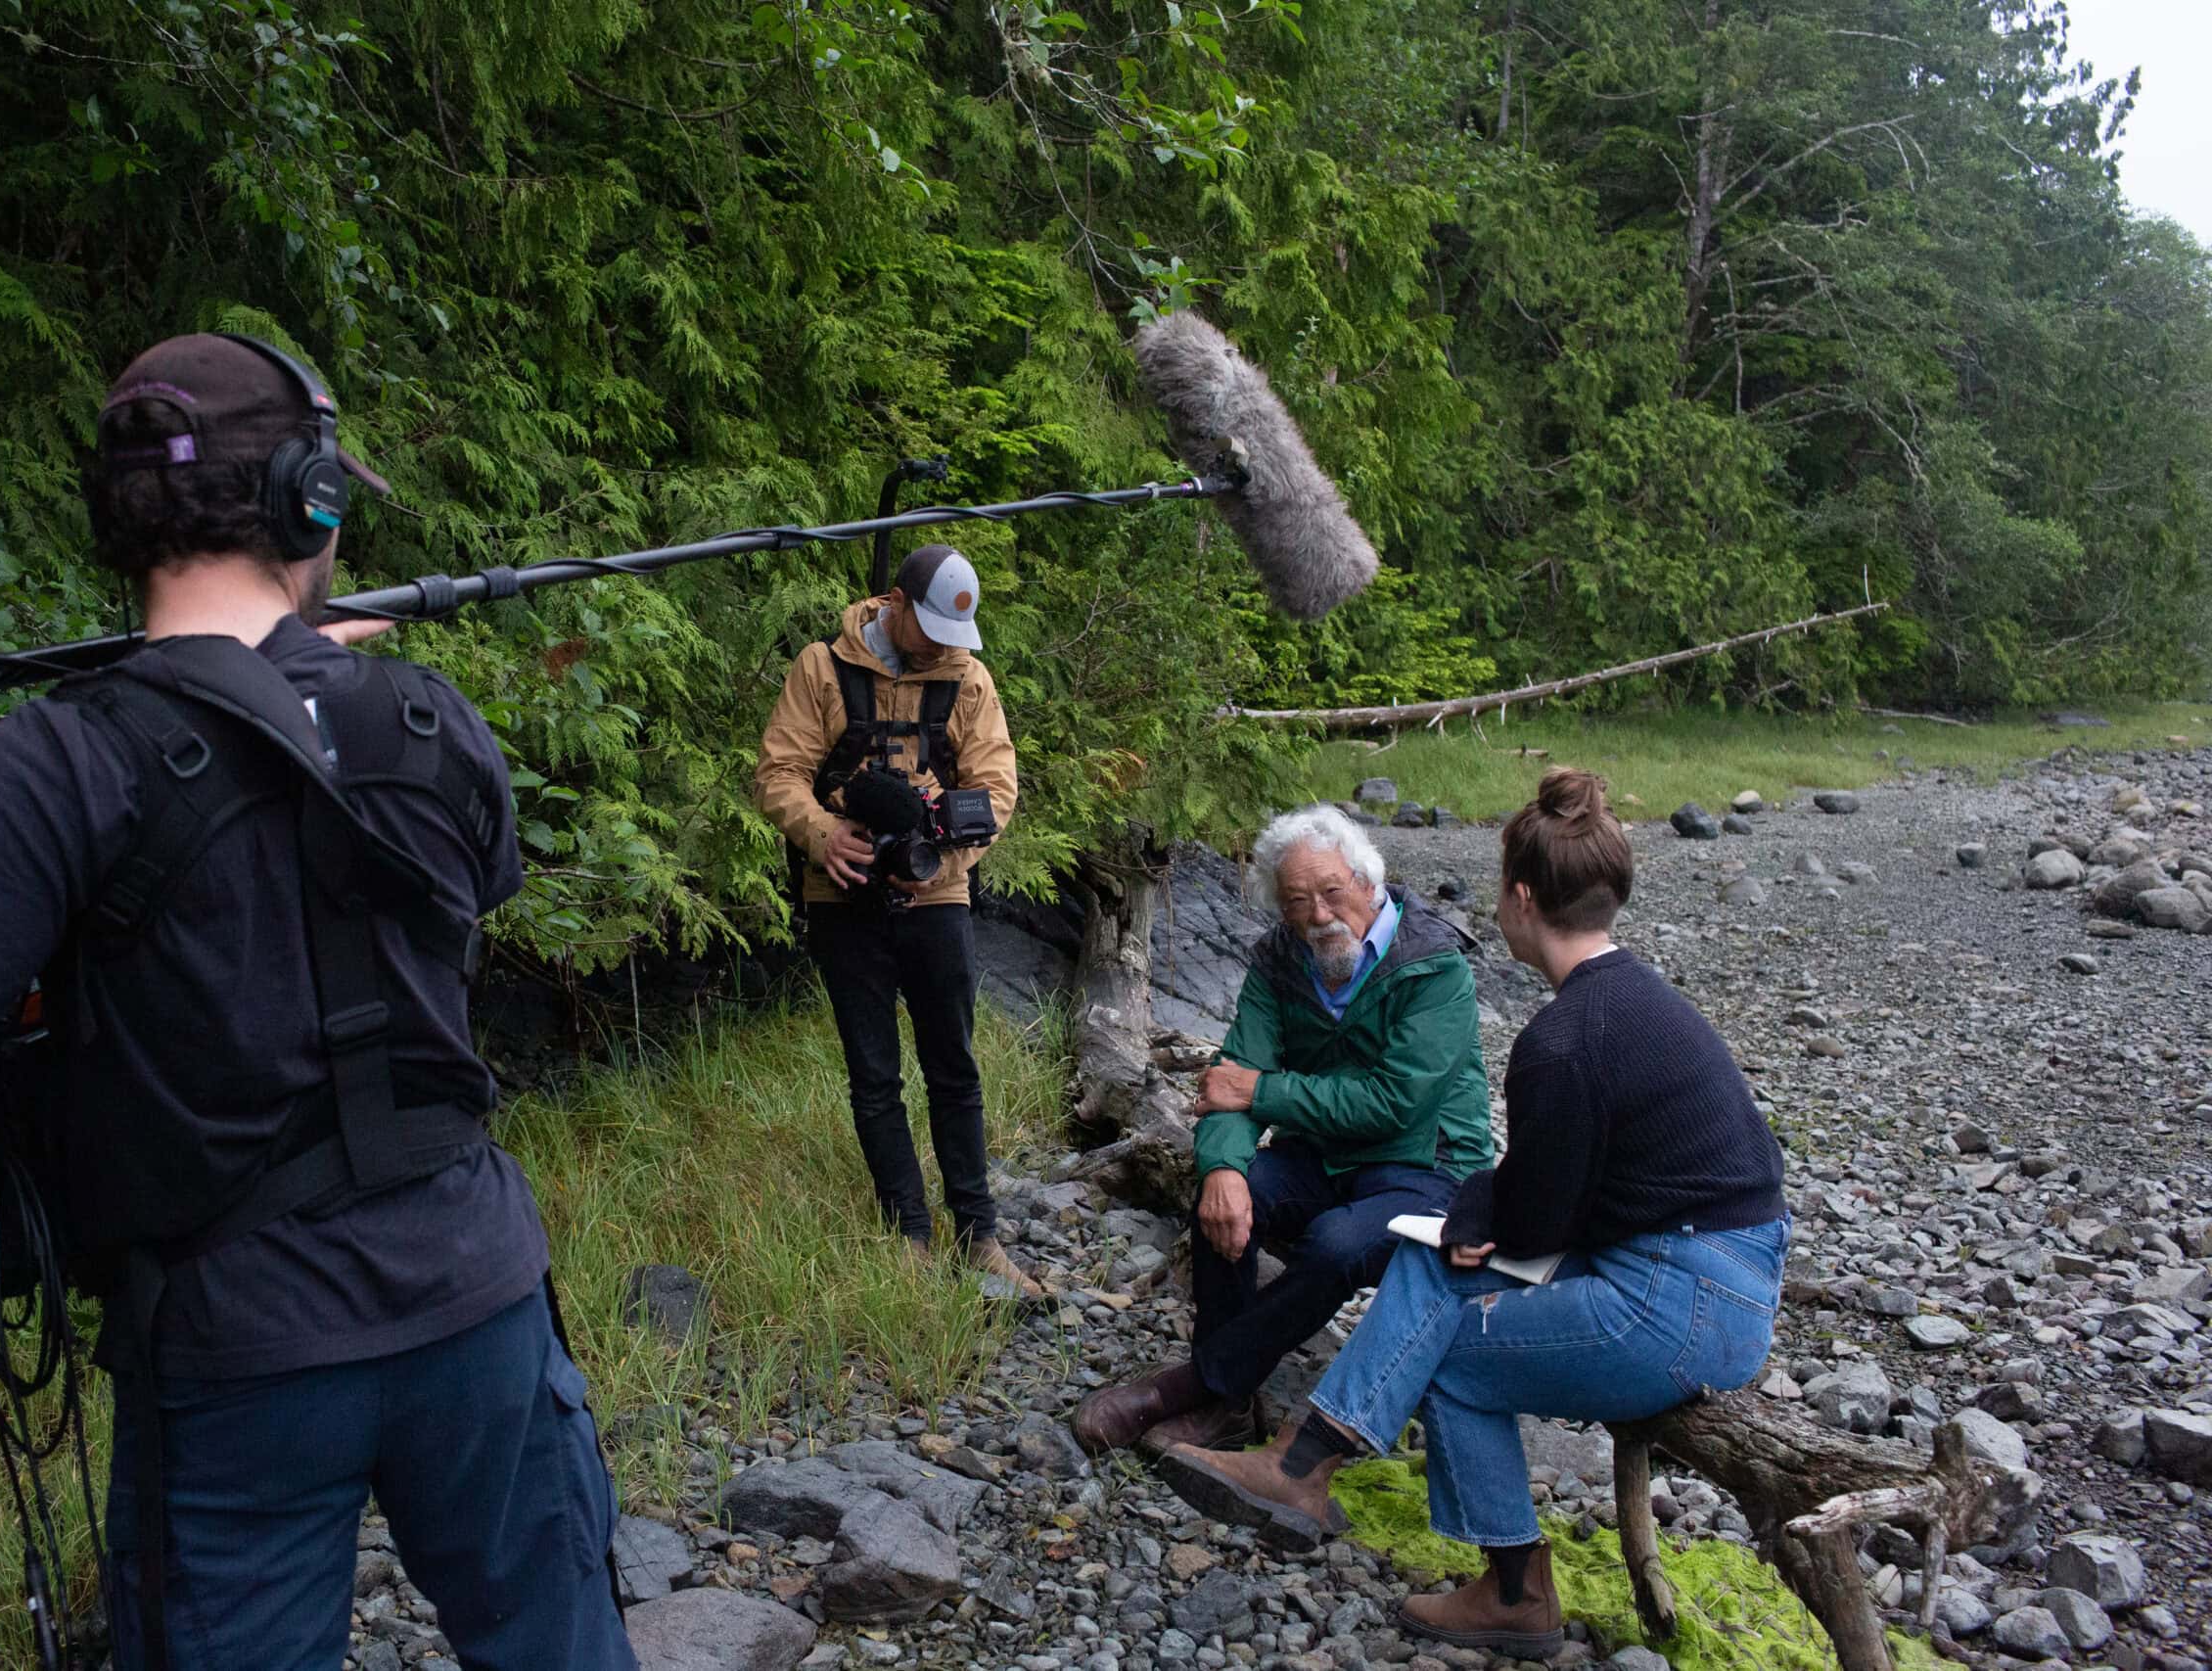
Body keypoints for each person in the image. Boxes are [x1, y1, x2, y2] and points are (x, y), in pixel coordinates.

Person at [0, 333, 632, 1671]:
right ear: (311, 499)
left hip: (236, 1358)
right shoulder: (431, 719)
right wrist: (311, 687)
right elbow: (458, 895)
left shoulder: (54, 766)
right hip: (479, 1303)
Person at [1152, 768, 1790, 1657]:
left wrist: (1485, 1212)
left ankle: (1516, 1587)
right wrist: (1482, 1216)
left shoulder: (1561, 1041)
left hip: (1686, 1302)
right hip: (1696, 1265)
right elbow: (1548, 1197)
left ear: (1523, 900)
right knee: (1424, 1264)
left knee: (1449, 1351)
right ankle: (1300, 1467)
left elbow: (1533, 1219)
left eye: (1498, 889)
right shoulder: (1630, 999)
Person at [1072, 806, 1494, 1458]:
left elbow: (1393, 1104)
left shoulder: (1435, 966)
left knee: (1332, 1243)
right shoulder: (1280, 960)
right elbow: (1229, 1081)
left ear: (1367, 881)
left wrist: (1263, 1091)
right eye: (1298, 899)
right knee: (1234, 1194)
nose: (1320, 913)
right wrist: (1220, 1169)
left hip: (1427, 1170)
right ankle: (1230, 1409)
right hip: (1325, 1157)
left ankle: (1195, 1387)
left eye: (1332, 891)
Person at [752, 544, 1042, 1295]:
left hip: (936, 893)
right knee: (873, 1073)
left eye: (957, 633)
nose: (947, 644)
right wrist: (825, 834)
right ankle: (909, 1231)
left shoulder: (968, 679)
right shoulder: (822, 668)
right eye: (935, 626)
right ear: (895, 601)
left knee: (955, 1065)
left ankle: (978, 1234)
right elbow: (779, 773)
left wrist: (943, 859)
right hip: (840, 893)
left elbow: (997, 789)